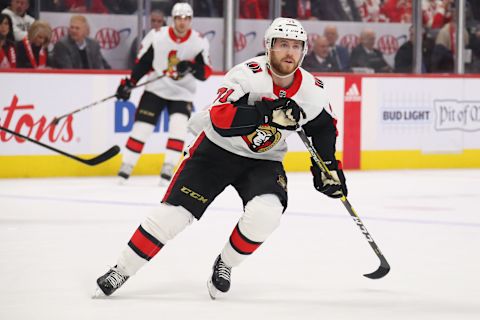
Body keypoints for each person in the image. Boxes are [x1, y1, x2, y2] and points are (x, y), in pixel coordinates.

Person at [94, 17, 347, 300]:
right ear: (269, 47)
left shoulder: (313, 91)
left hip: (264, 159)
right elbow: (220, 118)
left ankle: (225, 264)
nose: (289, 52)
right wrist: (265, 113)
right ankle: (121, 269)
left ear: (304, 51)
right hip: (216, 151)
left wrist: (327, 168)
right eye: (282, 45)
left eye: (296, 46)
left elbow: (323, 129)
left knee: (267, 213)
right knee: (174, 214)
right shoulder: (247, 74)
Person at [115, 2, 212, 185]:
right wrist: (130, 83)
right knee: (142, 128)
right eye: (178, 18)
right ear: (172, 19)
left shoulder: (199, 41)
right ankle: (126, 166)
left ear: (191, 20)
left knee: (178, 126)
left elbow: (205, 73)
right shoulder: (157, 36)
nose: (182, 23)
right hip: (156, 90)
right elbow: (143, 62)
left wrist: (191, 66)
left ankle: (168, 168)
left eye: (186, 19)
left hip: (183, 92)